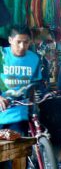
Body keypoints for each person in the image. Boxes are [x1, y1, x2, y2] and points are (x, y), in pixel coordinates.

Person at [0, 25, 42, 169]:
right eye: (18, 42)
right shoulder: (2, 55)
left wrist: (33, 105)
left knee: (16, 157)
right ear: (10, 40)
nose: (22, 46)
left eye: (26, 42)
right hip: (1, 112)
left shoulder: (35, 59)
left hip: (19, 113)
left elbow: (33, 86)